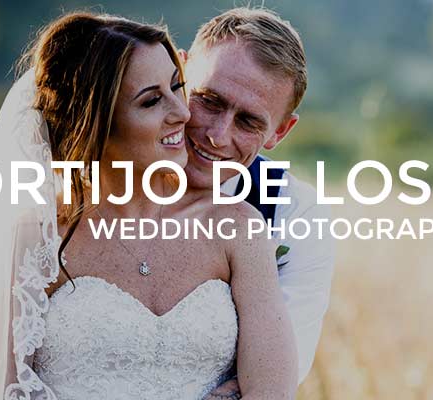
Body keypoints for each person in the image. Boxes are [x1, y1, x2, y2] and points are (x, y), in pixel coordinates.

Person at [0, 12, 297, 400]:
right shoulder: (36, 236)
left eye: (177, 87)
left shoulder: (238, 227)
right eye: (151, 101)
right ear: (99, 122)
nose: (182, 112)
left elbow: (272, 390)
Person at [177, 8, 335, 399]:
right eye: (209, 100)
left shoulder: (295, 211)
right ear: (178, 74)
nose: (217, 134)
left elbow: (287, 361)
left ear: (280, 131)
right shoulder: (91, 181)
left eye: (248, 121)